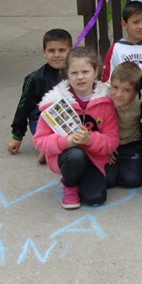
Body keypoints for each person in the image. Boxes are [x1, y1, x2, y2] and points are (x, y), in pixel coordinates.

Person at [34, 46, 120, 210]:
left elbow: (112, 140)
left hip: (94, 158)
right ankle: (70, 184)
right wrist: (67, 141)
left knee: (96, 199)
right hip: (68, 156)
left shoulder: (106, 101)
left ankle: (82, 177)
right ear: (66, 73)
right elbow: (39, 141)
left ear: (96, 71)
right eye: (74, 73)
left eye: (85, 72)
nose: (80, 77)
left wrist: (90, 139)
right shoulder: (54, 103)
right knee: (76, 155)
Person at [7, 28, 72, 164]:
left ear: (71, 50)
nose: (57, 55)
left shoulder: (78, 73)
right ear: (44, 52)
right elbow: (23, 107)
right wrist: (17, 135)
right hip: (42, 120)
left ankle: (52, 149)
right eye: (51, 51)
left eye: (62, 50)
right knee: (57, 136)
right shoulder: (35, 78)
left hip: (70, 118)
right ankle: (49, 149)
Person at [105, 61, 142, 189]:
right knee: (108, 180)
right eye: (115, 87)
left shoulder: (141, 102)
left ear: (137, 92)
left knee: (132, 180)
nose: (118, 94)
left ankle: (138, 168)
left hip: (131, 142)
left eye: (127, 90)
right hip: (109, 142)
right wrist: (105, 147)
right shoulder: (103, 94)